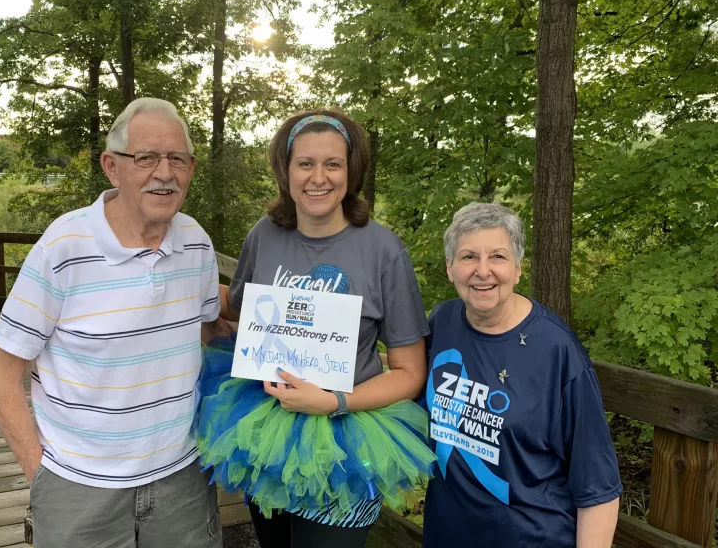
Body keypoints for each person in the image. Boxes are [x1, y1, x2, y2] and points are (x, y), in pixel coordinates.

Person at [0, 98, 225, 548]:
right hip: (78, 488)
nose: (165, 172)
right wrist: (42, 475)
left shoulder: (196, 242)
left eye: (178, 158)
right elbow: (1, 373)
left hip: (182, 480)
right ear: (112, 167)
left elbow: (209, 325)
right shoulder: (63, 248)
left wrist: (288, 324)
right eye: (147, 157)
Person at [199, 109, 435, 548]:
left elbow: (410, 372)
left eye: (333, 164)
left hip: (347, 434)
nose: (318, 177)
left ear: (352, 170)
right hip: (265, 427)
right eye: (305, 163)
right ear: (285, 171)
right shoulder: (264, 235)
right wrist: (181, 276)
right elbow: (239, 305)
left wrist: (334, 402)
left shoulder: (383, 250)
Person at [423, 202, 622, 548]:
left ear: (517, 269)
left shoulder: (557, 351)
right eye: (469, 257)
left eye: (497, 257)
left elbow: (598, 488)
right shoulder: (442, 322)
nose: (482, 271)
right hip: (446, 534)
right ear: (450, 268)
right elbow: (405, 383)